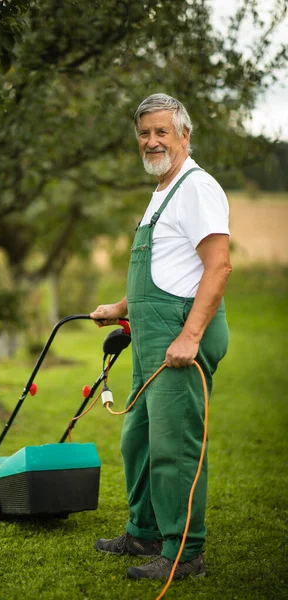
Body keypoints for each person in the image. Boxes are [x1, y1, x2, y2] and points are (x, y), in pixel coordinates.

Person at [90, 93, 231, 581]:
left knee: (175, 444)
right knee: (140, 440)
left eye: (161, 132)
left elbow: (218, 266)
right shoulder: (162, 192)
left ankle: (185, 552)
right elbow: (171, 267)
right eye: (145, 133)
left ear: (184, 135)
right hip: (153, 336)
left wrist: (190, 337)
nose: (152, 141)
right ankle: (146, 530)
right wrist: (121, 307)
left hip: (179, 335)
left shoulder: (197, 187)